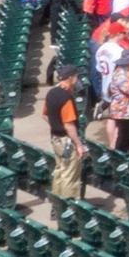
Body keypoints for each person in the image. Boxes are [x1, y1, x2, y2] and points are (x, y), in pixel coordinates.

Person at [46, 65, 87, 199]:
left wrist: (55, 124)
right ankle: (68, 207)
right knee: (69, 173)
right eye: (76, 76)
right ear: (71, 78)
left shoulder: (51, 93)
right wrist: (79, 144)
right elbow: (69, 125)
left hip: (55, 138)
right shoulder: (66, 98)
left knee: (60, 170)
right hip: (66, 141)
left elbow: (45, 115)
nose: (77, 79)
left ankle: (56, 204)